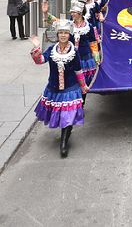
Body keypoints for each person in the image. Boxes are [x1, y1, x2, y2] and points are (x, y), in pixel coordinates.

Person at [30, 20, 89, 158]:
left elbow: (78, 70)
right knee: (60, 114)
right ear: (57, 34)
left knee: (68, 116)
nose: (63, 35)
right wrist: (36, 52)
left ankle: (64, 142)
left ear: (69, 35)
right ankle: (64, 136)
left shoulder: (74, 51)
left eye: (66, 33)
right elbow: (41, 61)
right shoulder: (51, 50)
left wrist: (83, 86)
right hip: (54, 88)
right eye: (61, 33)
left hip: (70, 88)